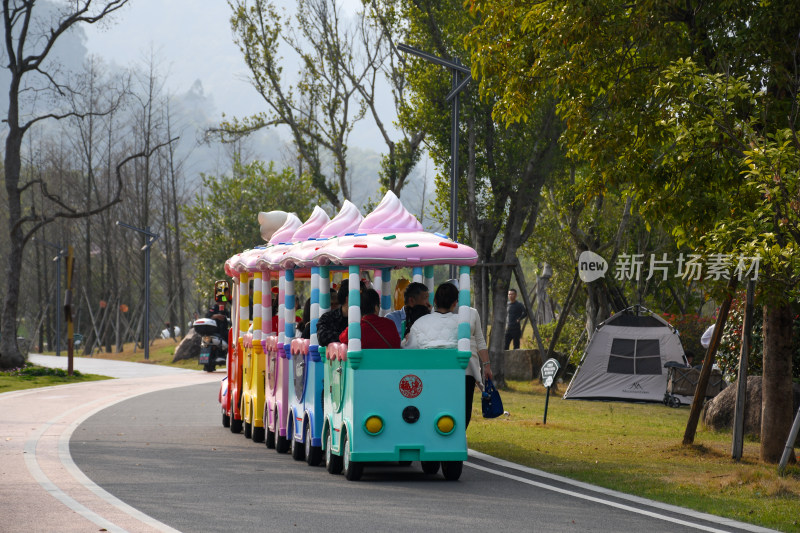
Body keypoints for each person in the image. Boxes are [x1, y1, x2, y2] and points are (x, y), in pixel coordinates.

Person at [446, 279, 492, 428]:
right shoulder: (441, 314)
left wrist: (486, 365)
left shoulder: (472, 313)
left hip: (468, 367)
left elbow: (480, 340)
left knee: (465, 406)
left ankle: (461, 436)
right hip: (447, 367)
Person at [404, 283, 460, 350]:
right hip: (453, 360)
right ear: (455, 303)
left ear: (435, 300)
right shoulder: (462, 322)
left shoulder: (418, 323)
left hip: (425, 360)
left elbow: (410, 350)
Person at [316, 279, 365, 346]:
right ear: (349, 298)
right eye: (361, 296)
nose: (365, 299)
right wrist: (349, 337)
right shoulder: (328, 318)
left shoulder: (366, 319)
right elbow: (322, 337)